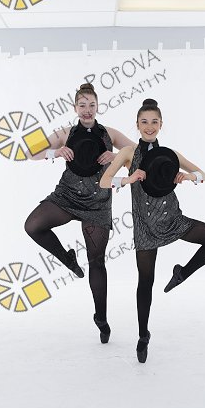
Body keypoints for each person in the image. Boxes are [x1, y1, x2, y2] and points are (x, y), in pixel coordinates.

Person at [100, 98, 205, 363]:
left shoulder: (170, 154)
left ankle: (182, 273)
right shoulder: (128, 153)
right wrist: (128, 178)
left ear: (161, 125)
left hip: (173, 219)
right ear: (137, 125)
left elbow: (203, 174)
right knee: (145, 281)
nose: (149, 126)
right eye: (144, 122)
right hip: (145, 226)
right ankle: (143, 335)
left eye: (154, 122)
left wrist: (188, 176)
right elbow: (104, 181)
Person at [24, 83, 133, 343]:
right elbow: (29, 152)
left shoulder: (109, 133)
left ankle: (101, 318)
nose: (87, 110)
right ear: (75, 108)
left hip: (98, 202)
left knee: (97, 261)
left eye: (91, 105)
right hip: (67, 196)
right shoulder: (65, 133)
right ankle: (67, 259)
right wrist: (55, 151)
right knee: (33, 225)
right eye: (82, 105)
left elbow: (137, 152)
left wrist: (116, 156)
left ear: (98, 107)